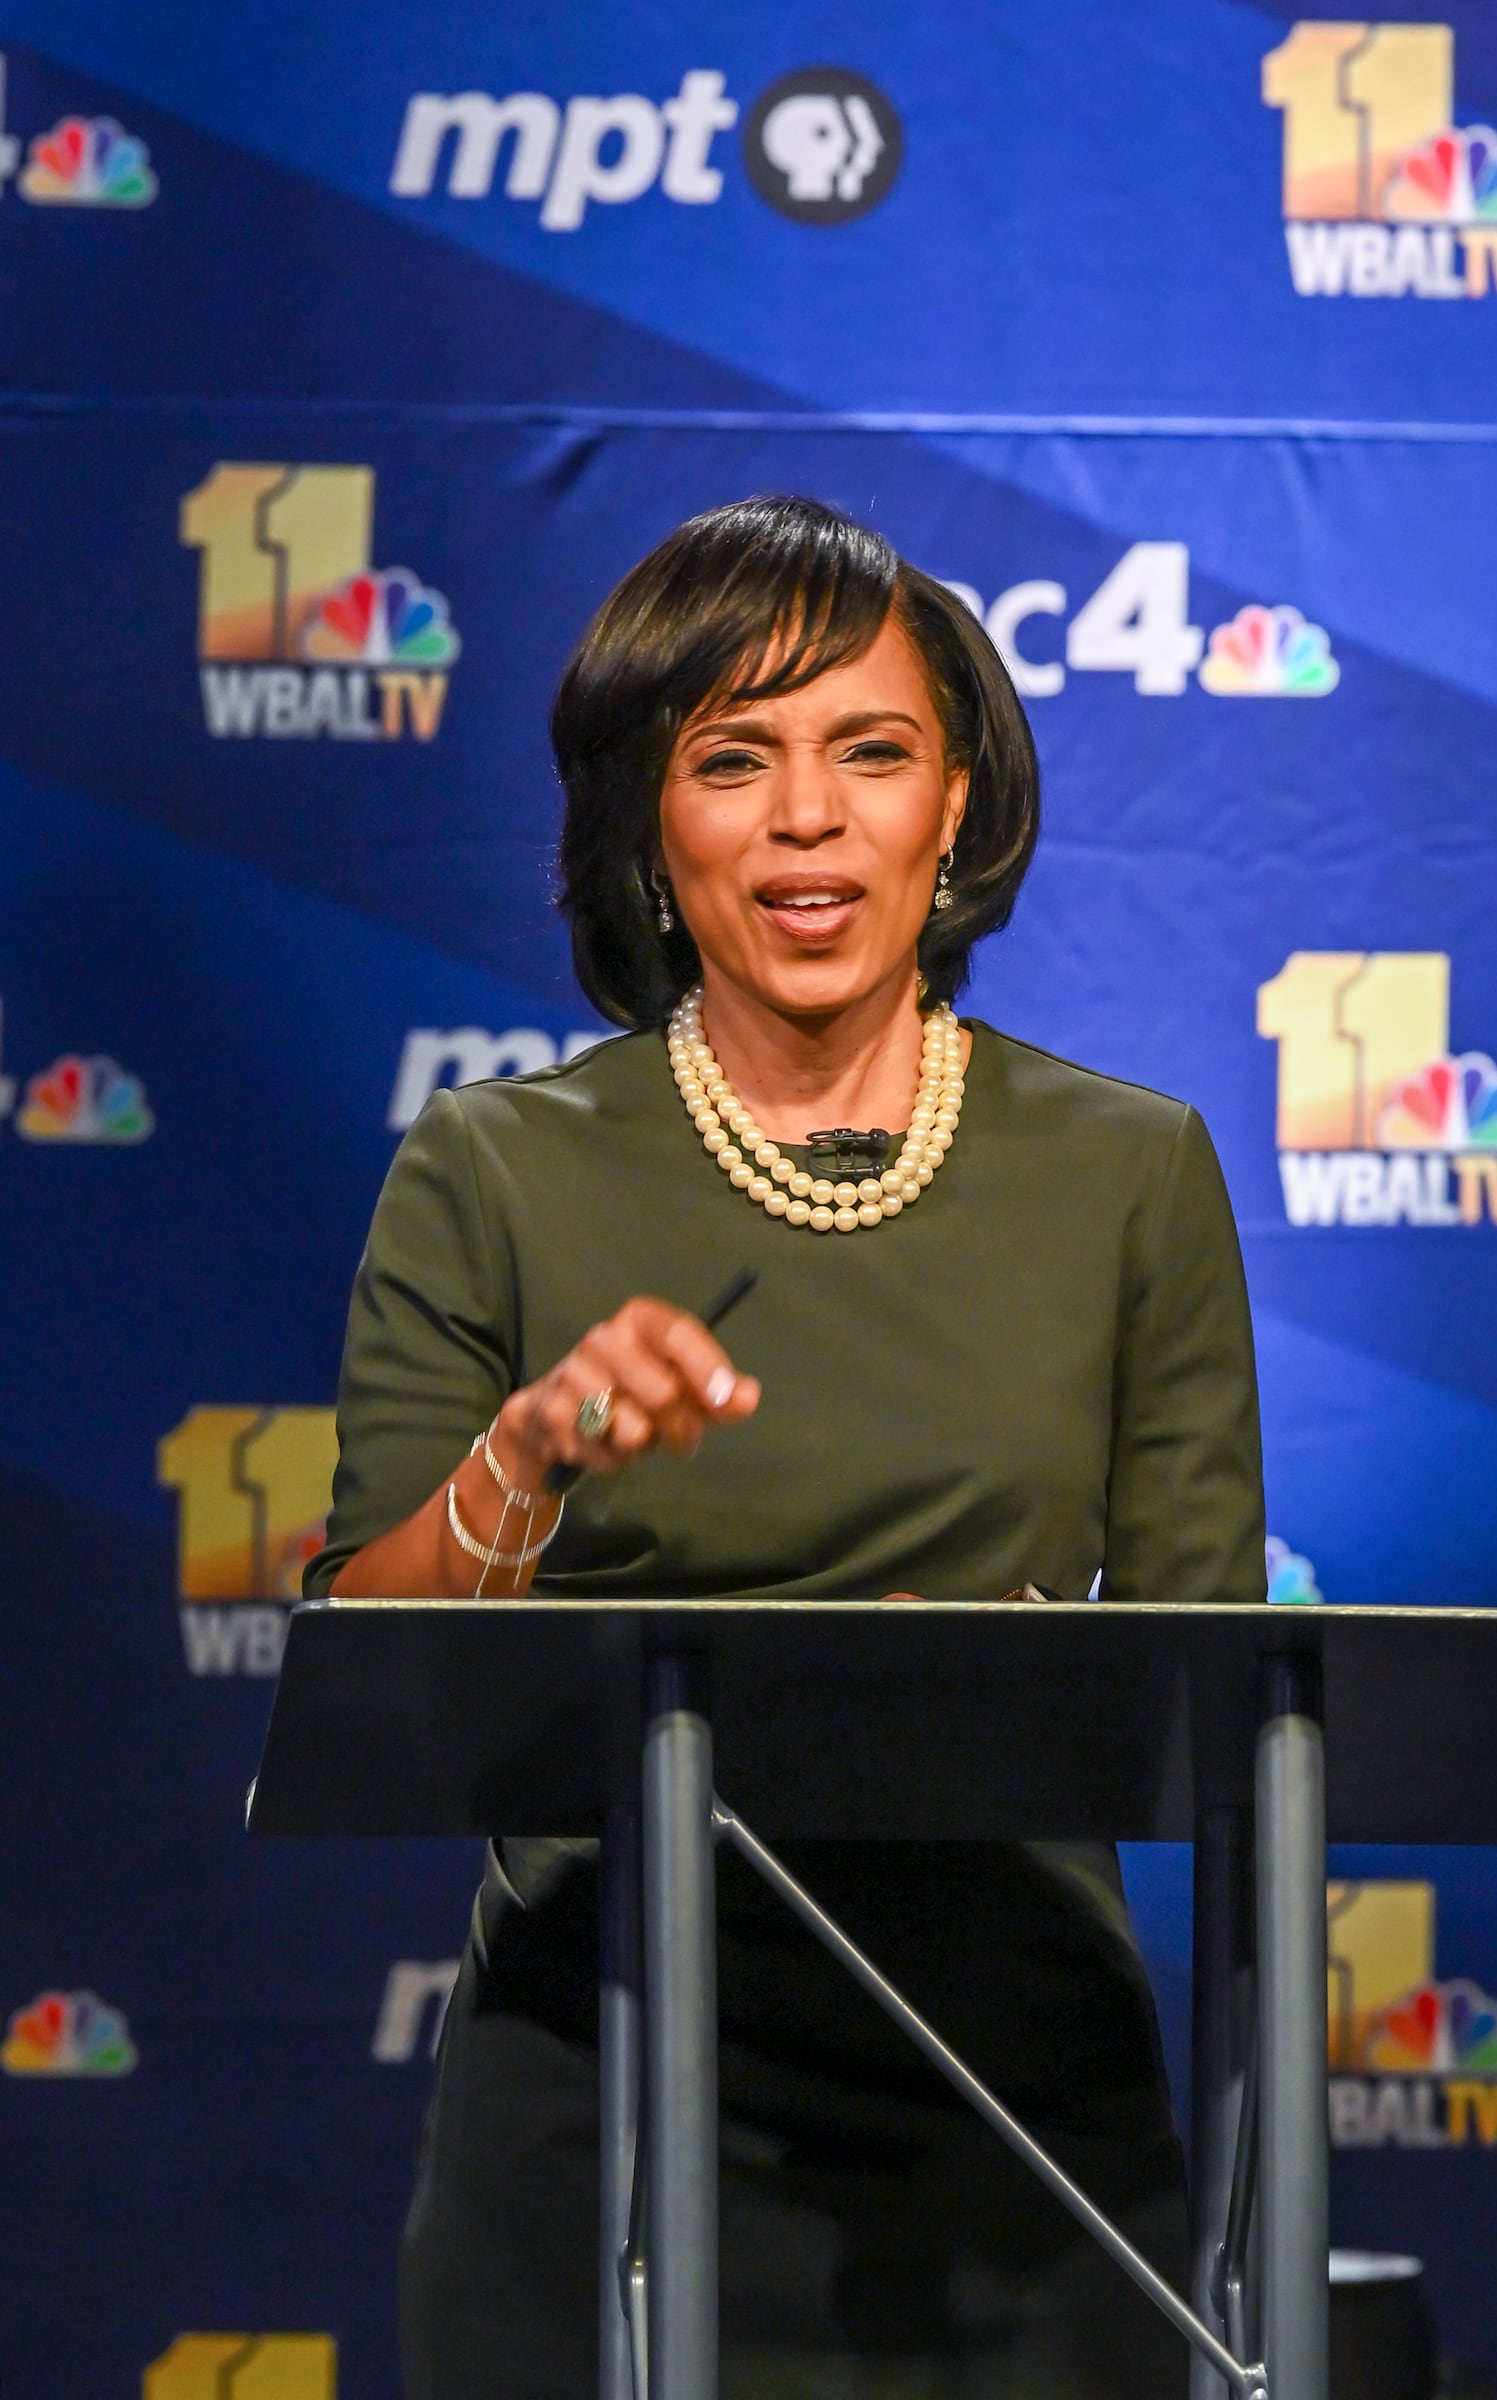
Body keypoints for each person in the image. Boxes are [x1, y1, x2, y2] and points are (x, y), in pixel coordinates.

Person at [306, 494, 1266, 2399]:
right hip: (602, 2090)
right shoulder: (492, 1171)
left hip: (1013, 2128)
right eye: (734, 760)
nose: (810, 818)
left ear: (960, 806)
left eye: (873, 753)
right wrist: (535, 1450)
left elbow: (1209, 1703)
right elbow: (373, 1684)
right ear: (651, 834)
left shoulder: (1130, 1174)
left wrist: (947, 1692)